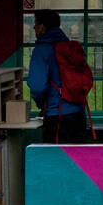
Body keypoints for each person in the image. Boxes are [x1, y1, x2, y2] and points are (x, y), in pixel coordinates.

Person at [27, 9, 90, 143]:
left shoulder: (42, 50)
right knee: (78, 158)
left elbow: (37, 86)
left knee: (55, 158)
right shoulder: (69, 46)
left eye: (36, 23)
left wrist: (41, 105)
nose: (33, 27)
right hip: (79, 112)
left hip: (57, 115)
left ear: (42, 27)